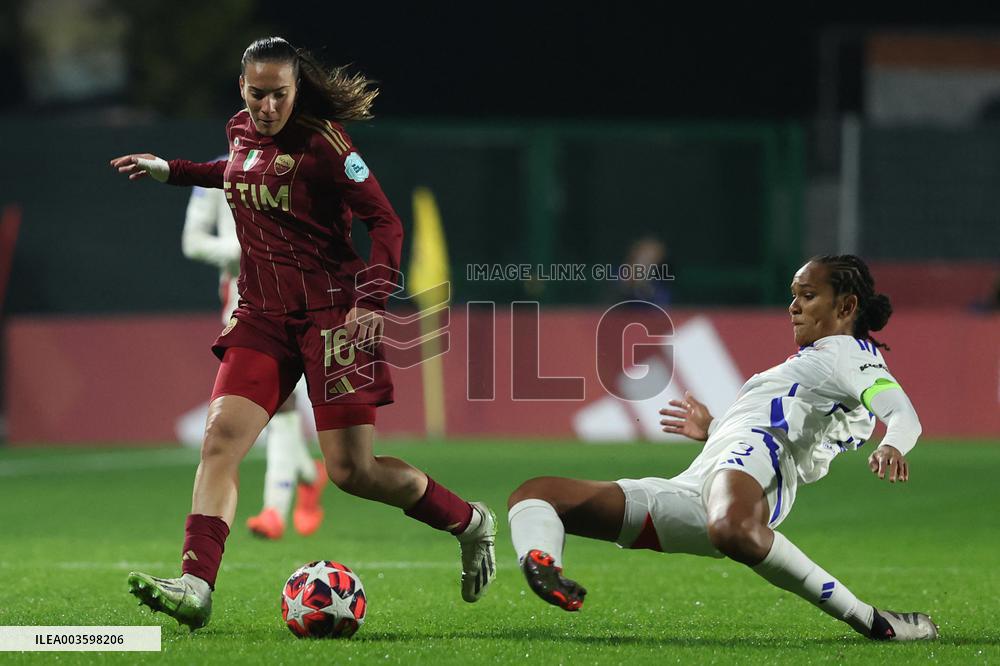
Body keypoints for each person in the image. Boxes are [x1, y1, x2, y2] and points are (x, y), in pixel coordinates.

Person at [110, 36, 496, 631]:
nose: (267, 107)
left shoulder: (326, 145)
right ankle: (195, 584)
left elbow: (385, 221)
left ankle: (469, 521)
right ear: (242, 88)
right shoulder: (239, 130)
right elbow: (236, 175)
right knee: (220, 442)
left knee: (352, 473)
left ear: (296, 90)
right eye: (257, 94)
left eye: (279, 95)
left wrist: (371, 299)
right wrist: (172, 171)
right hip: (262, 317)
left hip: (334, 318)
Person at [507, 254, 938, 641]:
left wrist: (892, 445)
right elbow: (792, 418)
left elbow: (902, 414)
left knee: (732, 528)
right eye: (793, 295)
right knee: (538, 494)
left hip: (755, 460)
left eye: (807, 295)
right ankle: (542, 562)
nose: (794, 307)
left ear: (846, 307)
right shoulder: (820, 360)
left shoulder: (850, 353)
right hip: (702, 480)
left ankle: (870, 620)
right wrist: (715, 427)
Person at [182, 170, 326, 540]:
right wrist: (237, 251)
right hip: (241, 296)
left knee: (285, 399)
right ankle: (308, 477)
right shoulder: (215, 173)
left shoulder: (291, 167)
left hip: (292, 291)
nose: (266, 110)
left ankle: (274, 510)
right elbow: (193, 242)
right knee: (277, 402)